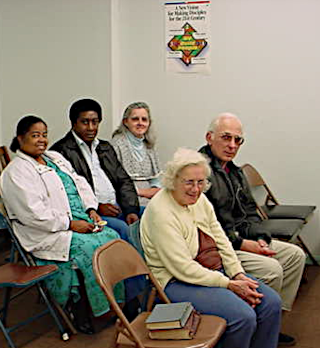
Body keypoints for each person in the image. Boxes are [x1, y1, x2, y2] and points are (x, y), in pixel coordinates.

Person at [140, 148, 281, 348]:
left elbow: (221, 239)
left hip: (211, 270)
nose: (195, 189)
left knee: (271, 304)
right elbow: (182, 268)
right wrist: (228, 284)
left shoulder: (200, 199)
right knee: (243, 317)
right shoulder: (161, 212)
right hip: (176, 281)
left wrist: (237, 273)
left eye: (200, 182)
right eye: (188, 182)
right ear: (173, 180)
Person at [0, 116, 124, 332]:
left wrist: (91, 210)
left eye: (44, 134)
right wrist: (70, 224)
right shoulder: (15, 172)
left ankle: (118, 303)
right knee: (90, 249)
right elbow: (33, 215)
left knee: (113, 238)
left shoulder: (54, 157)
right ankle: (97, 310)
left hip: (80, 220)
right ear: (20, 138)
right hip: (47, 232)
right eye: (35, 135)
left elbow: (80, 183)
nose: (41, 140)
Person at [199, 112, 306, 346]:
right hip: (219, 247)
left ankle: (272, 323)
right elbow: (206, 227)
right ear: (209, 137)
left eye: (238, 140)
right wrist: (242, 244)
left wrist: (259, 238)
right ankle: (258, 330)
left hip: (241, 239)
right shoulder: (199, 173)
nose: (232, 145)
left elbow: (249, 212)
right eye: (226, 137)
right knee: (273, 269)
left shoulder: (234, 171)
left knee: (296, 256)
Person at [51, 98, 142, 241]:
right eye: (85, 122)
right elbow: (67, 193)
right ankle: (135, 263)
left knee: (152, 214)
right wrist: (97, 207)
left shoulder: (105, 147)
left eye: (95, 122)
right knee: (122, 228)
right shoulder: (60, 152)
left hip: (118, 206)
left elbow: (123, 181)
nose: (91, 127)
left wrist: (130, 209)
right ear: (73, 123)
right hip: (91, 214)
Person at [111, 102, 161, 206]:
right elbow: (114, 182)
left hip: (150, 195)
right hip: (125, 196)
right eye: (135, 119)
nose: (140, 123)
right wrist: (141, 192)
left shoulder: (149, 145)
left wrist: (151, 191)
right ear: (125, 122)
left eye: (144, 119)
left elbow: (156, 181)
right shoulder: (116, 144)